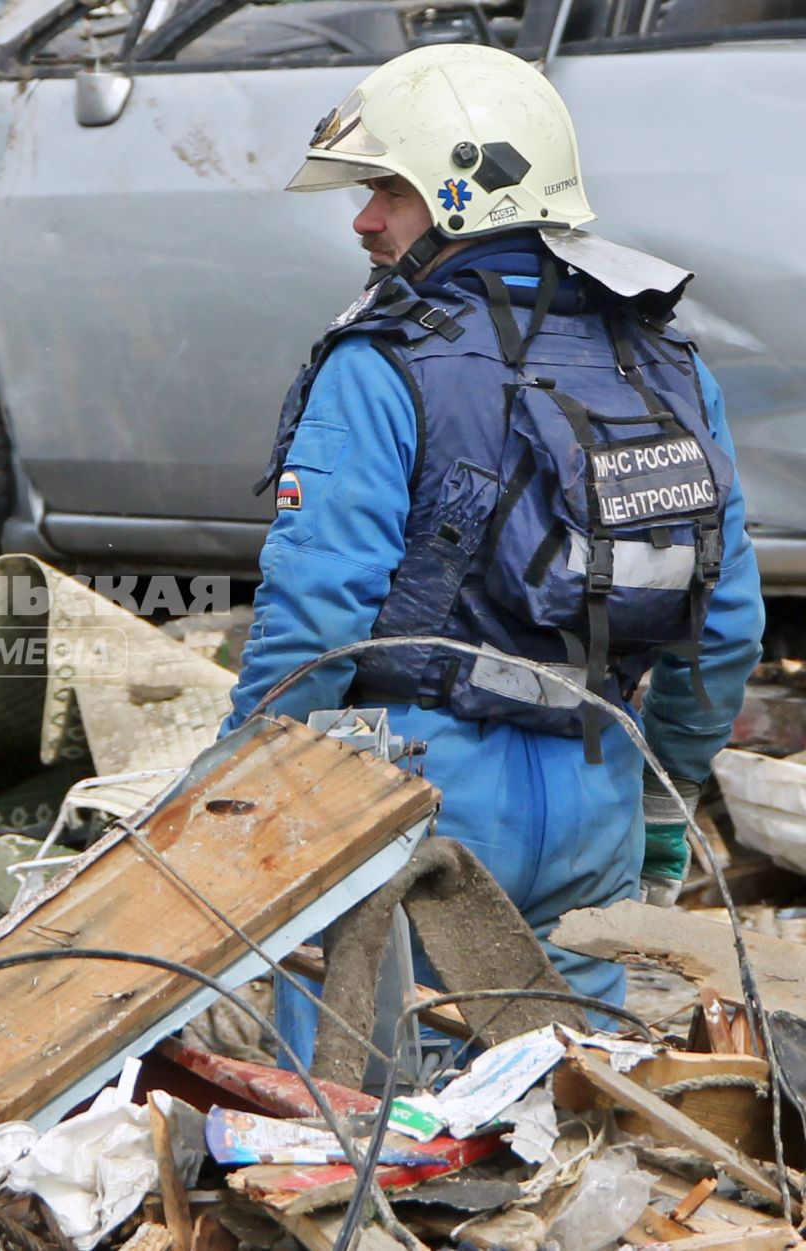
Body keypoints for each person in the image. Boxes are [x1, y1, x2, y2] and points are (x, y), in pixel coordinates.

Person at [220, 44, 764, 1062]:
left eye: (389, 187)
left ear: (463, 193)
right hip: (599, 788)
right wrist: (660, 798)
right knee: (567, 1117)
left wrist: (234, 794)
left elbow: (316, 619)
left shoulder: (384, 360)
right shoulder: (664, 360)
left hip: (416, 804)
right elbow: (725, 621)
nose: (364, 218)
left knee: (362, 1136)